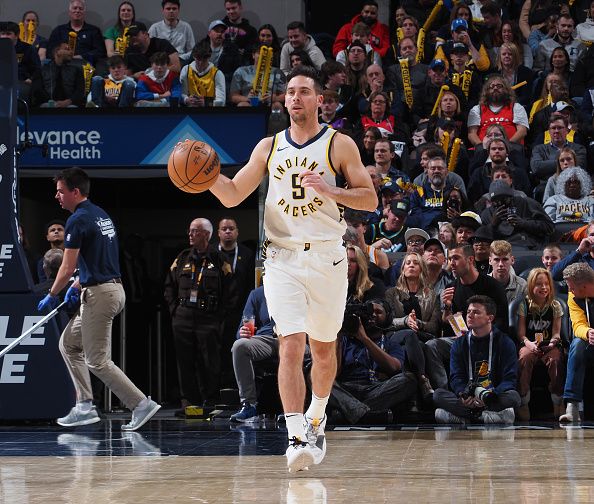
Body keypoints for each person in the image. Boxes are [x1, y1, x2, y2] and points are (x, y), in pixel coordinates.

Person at [207, 65, 377, 472]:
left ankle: (317, 414)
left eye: (304, 91)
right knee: (290, 344)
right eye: (290, 92)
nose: (296, 98)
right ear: (284, 101)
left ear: (320, 100)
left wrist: (331, 189)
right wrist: (206, 179)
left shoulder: (339, 144)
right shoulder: (268, 147)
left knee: (323, 349)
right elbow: (231, 195)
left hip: (327, 256)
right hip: (281, 258)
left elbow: (369, 199)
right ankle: (296, 433)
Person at [37, 168, 160, 431]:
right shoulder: (100, 215)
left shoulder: (77, 220)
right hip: (106, 289)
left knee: (97, 360)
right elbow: (98, 259)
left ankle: (140, 404)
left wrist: (52, 294)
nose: (56, 196)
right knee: (69, 344)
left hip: (100, 295)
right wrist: (79, 283)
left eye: (60, 191)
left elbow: (67, 267)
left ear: (75, 192)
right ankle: (84, 405)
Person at [163, 218, 233, 409]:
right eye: (190, 231)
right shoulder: (183, 257)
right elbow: (169, 285)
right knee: (184, 361)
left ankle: (210, 399)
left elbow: (229, 291)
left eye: (195, 231)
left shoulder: (219, 259)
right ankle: (189, 401)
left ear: (207, 235)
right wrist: (174, 311)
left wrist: (219, 316)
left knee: (209, 360)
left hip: (208, 317)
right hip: (183, 316)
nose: (190, 235)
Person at [425, 244, 509, 389]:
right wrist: (447, 306)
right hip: (460, 341)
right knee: (432, 346)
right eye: (450, 259)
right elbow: (446, 324)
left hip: (487, 339)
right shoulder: (451, 287)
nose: (452, 263)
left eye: (456, 258)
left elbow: (502, 322)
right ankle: (444, 390)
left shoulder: (492, 286)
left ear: (470, 259)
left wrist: (477, 336)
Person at [433, 295, 520, 424]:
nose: (470, 315)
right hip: (469, 398)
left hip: (492, 397)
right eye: (468, 312)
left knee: (514, 397)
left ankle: (465, 417)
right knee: (438, 395)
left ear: (490, 318)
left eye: (476, 312)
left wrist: (491, 395)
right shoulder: (459, 344)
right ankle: (484, 417)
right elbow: (456, 377)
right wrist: (464, 395)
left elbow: (510, 379)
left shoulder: (505, 342)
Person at [329, 299, 417, 424]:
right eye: (369, 311)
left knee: (409, 380)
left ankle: (348, 413)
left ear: (387, 318)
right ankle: (363, 414)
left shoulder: (390, 344)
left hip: (374, 390)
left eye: (378, 312)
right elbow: (333, 374)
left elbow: (394, 367)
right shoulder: (344, 340)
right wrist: (338, 336)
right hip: (347, 389)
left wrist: (364, 338)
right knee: (318, 378)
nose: (373, 315)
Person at [516, 268, 565, 421]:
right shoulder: (524, 304)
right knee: (525, 358)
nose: (543, 287)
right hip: (530, 344)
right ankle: (523, 401)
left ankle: (558, 400)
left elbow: (557, 332)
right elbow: (521, 334)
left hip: (549, 345)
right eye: (538, 284)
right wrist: (528, 344)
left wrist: (552, 343)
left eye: (546, 284)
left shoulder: (556, 305)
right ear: (531, 286)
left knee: (556, 360)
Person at [229, 285, 278, 423]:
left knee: (291, 350)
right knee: (239, 345)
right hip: (266, 338)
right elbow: (241, 328)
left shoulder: (297, 287)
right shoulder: (257, 294)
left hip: (293, 337)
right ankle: (249, 404)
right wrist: (242, 332)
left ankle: (293, 409)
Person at [467, 75, 529, 146]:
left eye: (499, 86)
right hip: (483, 151)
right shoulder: (477, 109)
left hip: (511, 150)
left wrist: (506, 147)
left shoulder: (517, 107)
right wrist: (482, 148)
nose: (495, 88)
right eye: (492, 86)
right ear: (486, 91)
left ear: (506, 90)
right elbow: (472, 134)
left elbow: (522, 131)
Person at [47, 0, 105, 66]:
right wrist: (61, 53)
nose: (77, 11)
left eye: (80, 8)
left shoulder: (94, 31)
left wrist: (81, 56)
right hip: (63, 65)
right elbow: (49, 52)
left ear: (84, 12)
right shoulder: (59, 30)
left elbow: (100, 52)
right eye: (74, 8)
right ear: (69, 12)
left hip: (85, 65)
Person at [31, 42, 85, 108]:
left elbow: (80, 92)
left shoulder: (76, 70)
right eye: (67, 49)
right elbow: (37, 90)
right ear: (57, 51)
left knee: (72, 108)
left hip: (70, 104)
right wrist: (52, 102)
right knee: (46, 106)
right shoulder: (42, 70)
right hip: (48, 103)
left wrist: (68, 102)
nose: (71, 52)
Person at [148, 0, 195, 64]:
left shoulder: (186, 27)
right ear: (163, 11)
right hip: (160, 62)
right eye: (168, 9)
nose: (171, 11)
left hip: (181, 61)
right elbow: (149, 49)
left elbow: (192, 50)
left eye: (174, 9)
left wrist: (179, 58)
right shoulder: (155, 28)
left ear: (178, 10)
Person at [180, 42, 226, 107]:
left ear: (209, 57)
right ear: (194, 56)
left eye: (204, 60)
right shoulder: (186, 70)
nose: (201, 63)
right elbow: (182, 93)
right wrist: (186, 99)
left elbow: (221, 101)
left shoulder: (217, 74)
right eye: (198, 59)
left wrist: (206, 103)